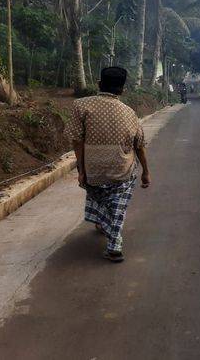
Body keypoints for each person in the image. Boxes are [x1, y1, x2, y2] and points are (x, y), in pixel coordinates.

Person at [64, 67, 151, 263]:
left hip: (94, 171)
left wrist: (82, 169)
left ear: (99, 84)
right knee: (118, 203)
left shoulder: (81, 106)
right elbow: (140, 146)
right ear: (122, 90)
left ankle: (106, 229)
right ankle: (114, 246)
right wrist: (146, 171)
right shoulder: (130, 113)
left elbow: (77, 140)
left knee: (101, 196)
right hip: (122, 171)